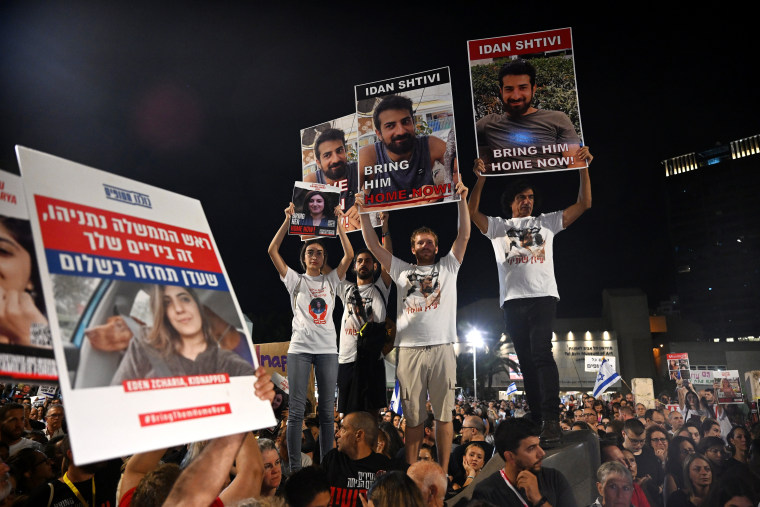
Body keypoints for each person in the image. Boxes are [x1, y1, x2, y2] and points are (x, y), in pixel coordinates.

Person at [468, 147, 593, 447]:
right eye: (522, 197)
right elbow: (471, 212)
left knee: (541, 352)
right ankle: (537, 417)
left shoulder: (547, 223)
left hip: (542, 297)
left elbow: (584, 203)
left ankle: (551, 418)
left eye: (531, 197)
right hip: (512, 302)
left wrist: (582, 168)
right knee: (525, 360)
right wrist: (481, 178)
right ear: (510, 202)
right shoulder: (499, 227)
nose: (527, 201)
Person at [358, 181, 470, 474]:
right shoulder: (401, 270)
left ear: (437, 246)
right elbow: (371, 245)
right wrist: (361, 210)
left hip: (443, 346)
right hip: (408, 351)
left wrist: (461, 200)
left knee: (445, 415)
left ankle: (444, 471)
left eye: (430, 241)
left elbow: (465, 234)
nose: (425, 245)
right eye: (420, 242)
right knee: (413, 418)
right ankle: (412, 472)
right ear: (412, 248)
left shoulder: (449, 267)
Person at [269, 202, 353, 472]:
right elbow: (272, 250)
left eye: (319, 252)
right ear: (304, 257)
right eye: (310, 252)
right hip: (300, 349)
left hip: (328, 349)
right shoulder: (296, 281)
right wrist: (287, 220)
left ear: (323, 257)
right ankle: (294, 469)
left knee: (328, 414)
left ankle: (326, 467)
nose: (314, 256)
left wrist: (339, 223)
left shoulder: (331, 281)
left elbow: (349, 254)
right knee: (295, 413)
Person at [109, 285, 254, 385]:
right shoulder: (143, 347)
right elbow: (116, 403)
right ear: (162, 316)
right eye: (167, 303)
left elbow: (256, 389)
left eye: (185, 299)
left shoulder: (225, 360)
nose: (179, 308)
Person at [475, 59, 584, 170]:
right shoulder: (489, 123)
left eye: (523, 88)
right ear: (501, 91)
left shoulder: (557, 119)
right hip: (516, 186)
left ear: (533, 89)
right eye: (509, 89)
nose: (516, 96)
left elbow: (576, 165)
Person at [336, 216, 392, 416]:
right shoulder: (346, 290)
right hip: (348, 359)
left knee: (372, 414)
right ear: (354, 266)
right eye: (359, 261)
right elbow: (325, 273)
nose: (364, 264)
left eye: (368, 261)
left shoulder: (381, 288)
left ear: (375, 266)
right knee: (347, 416)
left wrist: (384, 227)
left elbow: (387, 257)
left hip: (372, 359)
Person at [358, 95, 456, 206]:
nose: (401, 131)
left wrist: (440, 190)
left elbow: (461, 171)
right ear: (379, 134)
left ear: (413, 123)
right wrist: (413, 203)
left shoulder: (430, 145)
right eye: (390, 126)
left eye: (405, 122)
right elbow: (352, 204)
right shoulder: (368, 156)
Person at [471, 417, 576, 507]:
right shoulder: (486, 492)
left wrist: (539, 500)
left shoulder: (554, 478)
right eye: (531, 448)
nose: (542, 453)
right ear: (510, 456)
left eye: (539, 445)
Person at [322, 411, 393, 507]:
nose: (337, 434)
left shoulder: (384, 466)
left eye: (343, 429)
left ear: (358, 435)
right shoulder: (332, 459)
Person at [0, 217, 49, 347]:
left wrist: (27, 336)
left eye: (2, 251)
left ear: (31, 278)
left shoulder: (40, 327)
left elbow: (48, 358)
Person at [305, 128, 360, 229]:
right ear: (318, 163)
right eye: (327, 155)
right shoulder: (311, 182)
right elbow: (304, 232)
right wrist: (334, 228)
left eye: (339, 151)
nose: (335, 159)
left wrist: (364, 207)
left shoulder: (359, 169)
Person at [449, 415, 493, 487]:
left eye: (463, 428)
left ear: (473, 430)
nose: (461, 431)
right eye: (471, 455)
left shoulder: (458, 451)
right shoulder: (494, 452)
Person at [663, 436, 696, 501]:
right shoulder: (671, 478)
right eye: (684, 451)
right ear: (675, 454)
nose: (689, 454)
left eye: (691, 450)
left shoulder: (699, 472)